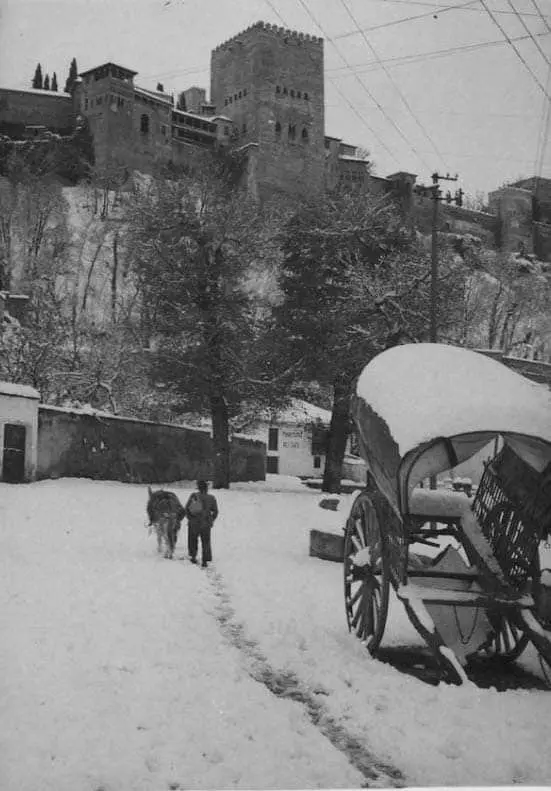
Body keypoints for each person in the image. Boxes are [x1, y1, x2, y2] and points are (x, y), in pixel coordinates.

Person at [185, 479, 218, 567]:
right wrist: (211, 520)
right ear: (206, 488)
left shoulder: (194, 496)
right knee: (206, 541)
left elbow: (187, 509)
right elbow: (215, 511)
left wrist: (190, 519)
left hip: (194, 523)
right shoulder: (211, 498)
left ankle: (193, 556)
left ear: (198, 488)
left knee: (192, 540)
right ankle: (205, 560)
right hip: (205, 523)